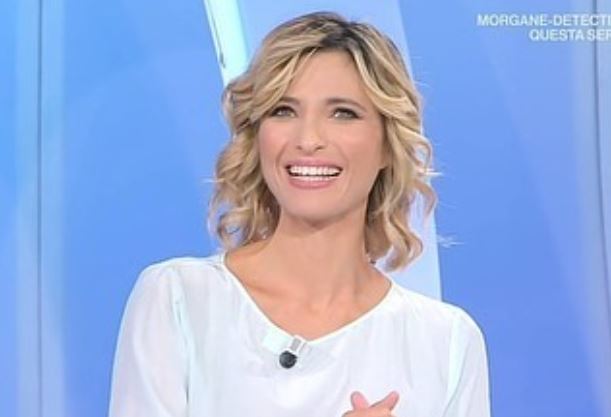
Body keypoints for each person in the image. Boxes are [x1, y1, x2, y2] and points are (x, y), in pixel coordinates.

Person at [108, 11, 490, 417]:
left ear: (386, 144)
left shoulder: (446, 342)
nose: (308, 140)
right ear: (257, 135)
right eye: (283, 110)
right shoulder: (179, 299)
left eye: (343, 113)